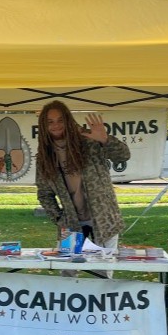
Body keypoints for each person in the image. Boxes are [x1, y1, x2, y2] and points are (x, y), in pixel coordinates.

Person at [35, 101, 130, 254]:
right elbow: (44, 193)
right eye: (50, 122)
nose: (56, 125)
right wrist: (59, 219)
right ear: (43, 126)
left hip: (105, 219)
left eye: (60, 120)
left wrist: (105, 139)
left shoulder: (89, 140)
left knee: (104, 272)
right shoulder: (44, 156)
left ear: (68, 120)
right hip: (71, 222)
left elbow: (123, 155)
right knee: (67, 270)